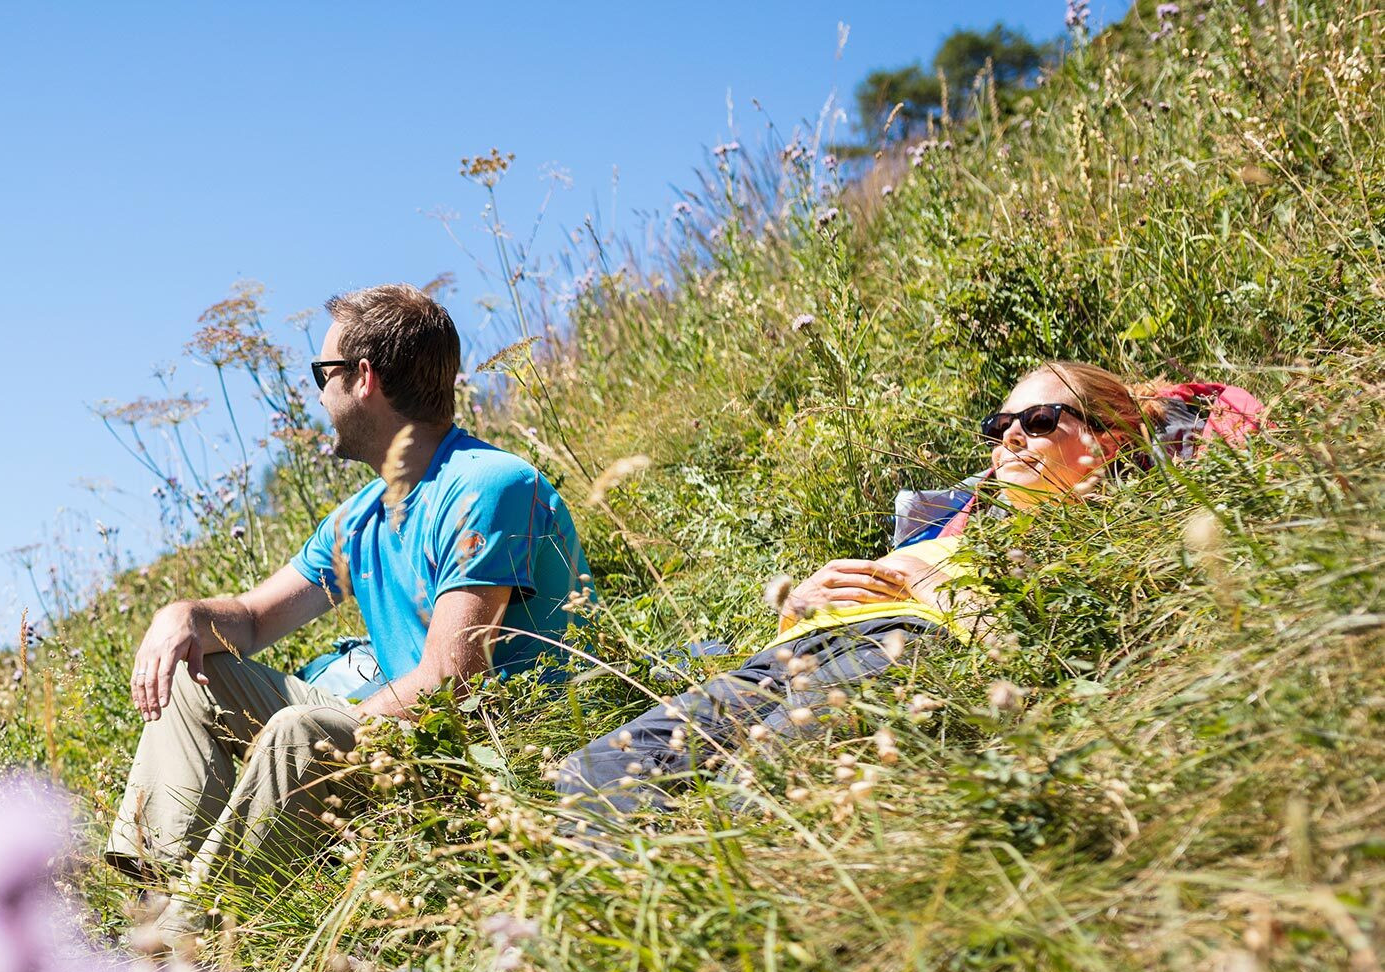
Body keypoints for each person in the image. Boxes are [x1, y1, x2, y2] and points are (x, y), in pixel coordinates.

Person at [550, 360, 1263, 826]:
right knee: (590, 777)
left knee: (755, 795)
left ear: (1105, 441)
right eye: (999, 425)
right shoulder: (952, 520)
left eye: (1040, 421)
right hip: (794, 651)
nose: (1011, 436)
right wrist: (800, 602)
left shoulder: (1103, 535)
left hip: (906, 653)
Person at [105, 283, 590, 935]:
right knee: (200, 674)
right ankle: (165, 898)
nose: (318, 396)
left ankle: (188, 947)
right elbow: (250, 621)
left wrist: (330, 723)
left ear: (363, 379)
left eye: (321, 374)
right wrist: (183, 617)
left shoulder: (489, 486)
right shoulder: (362, 516)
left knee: (296, 734)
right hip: (404, 737)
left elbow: (453, 682)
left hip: (484, 761)